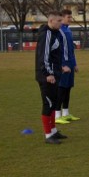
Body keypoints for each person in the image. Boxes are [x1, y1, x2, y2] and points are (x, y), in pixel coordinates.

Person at [35, 11, 70, 144]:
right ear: (51, 21)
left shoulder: (55, 33)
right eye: (59, 21)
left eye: (62, 20)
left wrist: (60, 67)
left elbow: (53, 56)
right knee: (48, 104)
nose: (61, 23)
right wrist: (48, 74)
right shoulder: (47, 34)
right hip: (46, 77)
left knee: (54, 103)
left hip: (55, 74)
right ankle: (48, 135)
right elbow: (43, 57)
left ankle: (53, 130)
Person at [54, 9, 80, 125]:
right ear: (62, 18)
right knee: (61, 88)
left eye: (71, 17)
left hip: (70, 63)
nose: (70, 19)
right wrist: (61, 65)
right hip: (63, 64)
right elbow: (57, 50)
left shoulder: (68, 30)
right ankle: (57, 115)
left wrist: (74, 64)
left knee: (68, 87)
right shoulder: (59, 31)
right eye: (68, 17)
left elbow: (71, 50)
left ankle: (66, 113)